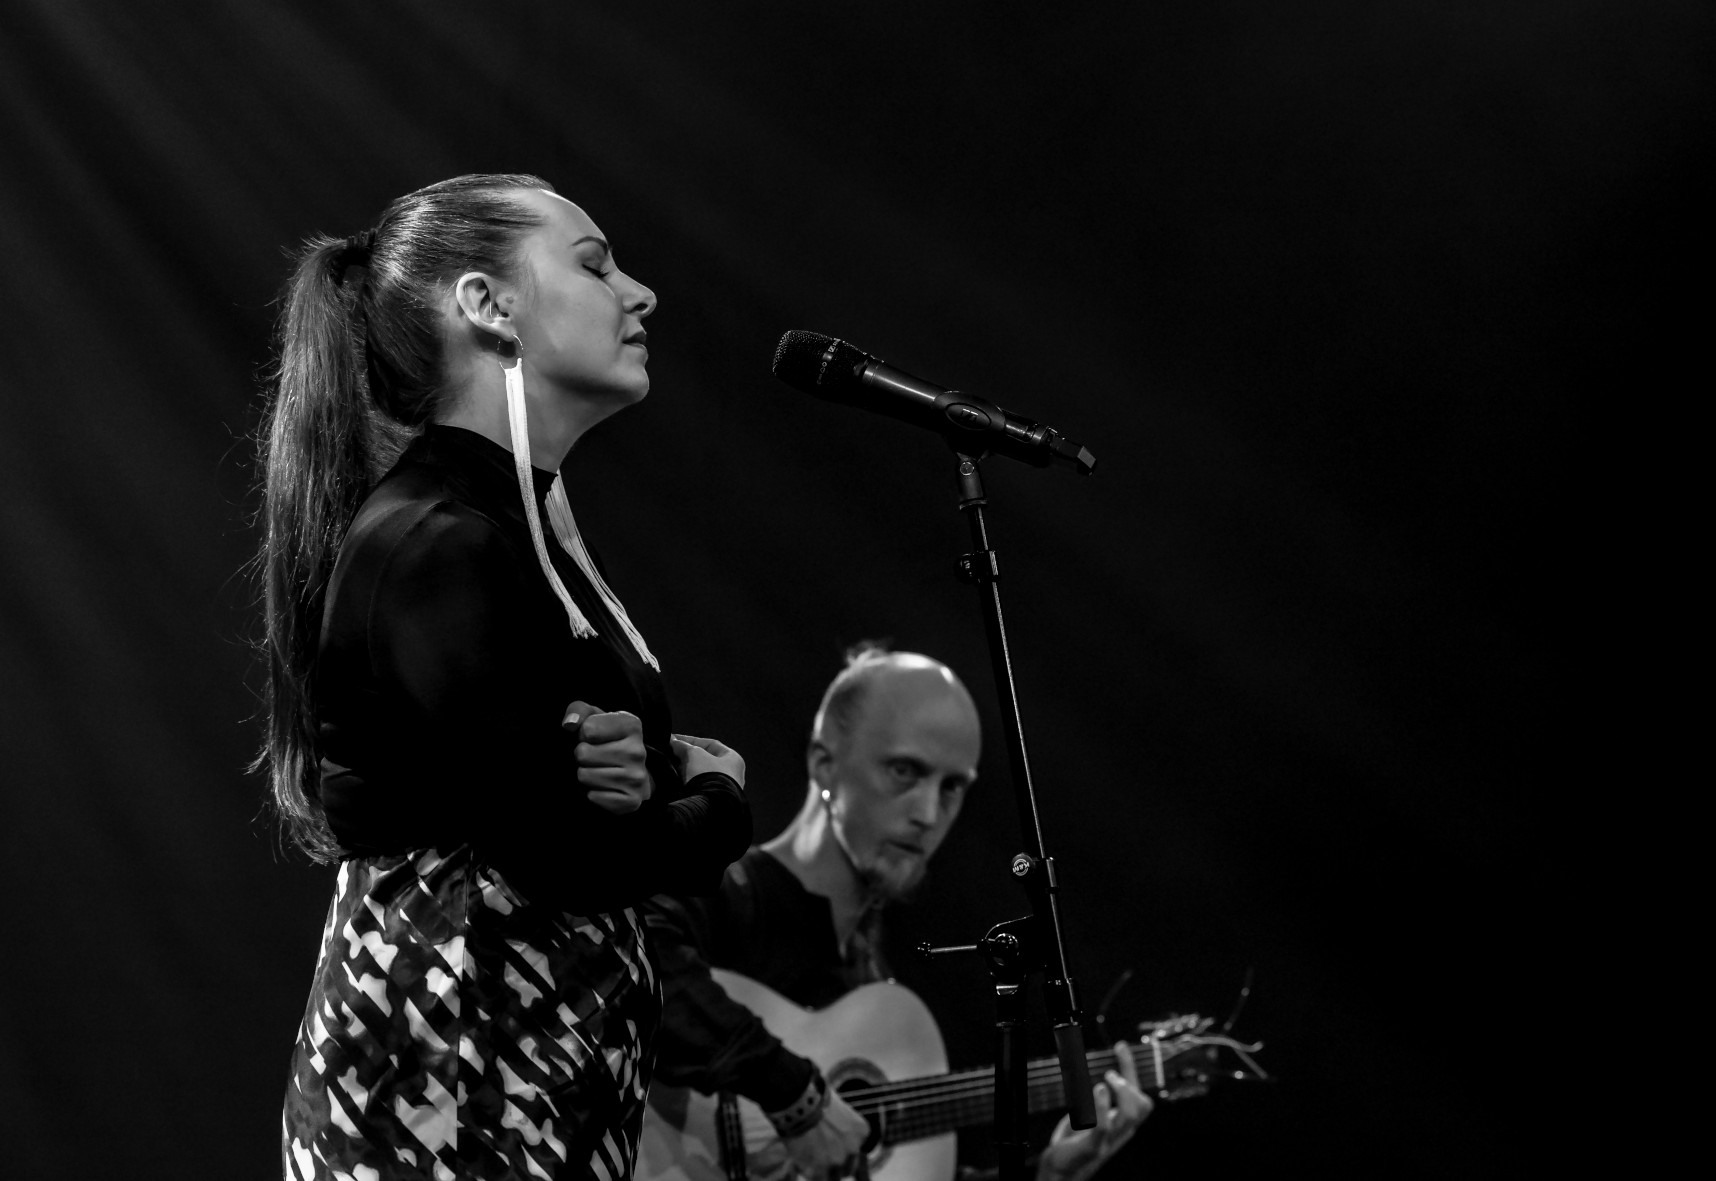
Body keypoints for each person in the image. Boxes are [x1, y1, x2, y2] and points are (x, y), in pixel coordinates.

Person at [255, 173, 752, 1180]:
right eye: (595, 263)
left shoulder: (512, 526)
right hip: (449, 1088)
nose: (639, 292)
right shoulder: (437, 539)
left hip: (523, 1072)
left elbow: (555, 793)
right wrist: (719, 799)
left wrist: (633, 767)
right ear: (487, 305)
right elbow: (566, 853)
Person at [642, 647, 1150, 1181]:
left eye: (952, 787)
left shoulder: (871, 981)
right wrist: (795, 1095)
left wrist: (1047, 1174)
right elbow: (641, 961)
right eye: (904, 771)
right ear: (823, 761)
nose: (929, 815)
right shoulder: (727, 890)